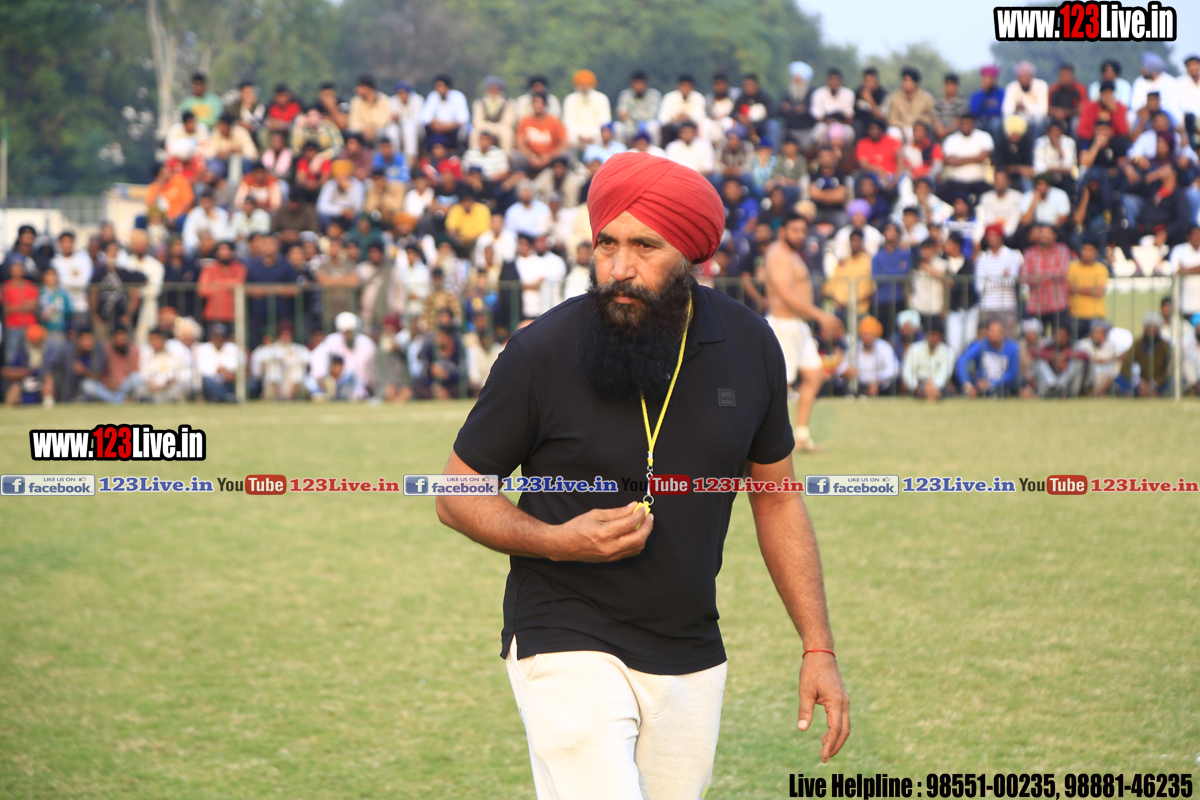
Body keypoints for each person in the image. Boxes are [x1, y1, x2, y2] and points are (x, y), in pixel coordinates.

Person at [435, 150, 849, 800]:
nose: (619, 268)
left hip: (689, 646)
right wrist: (556, 541)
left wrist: (817, 647)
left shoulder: (750, 347)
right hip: (563, 629)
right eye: (607, 244)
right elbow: (456, 492)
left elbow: (776, 501)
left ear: (691, 256)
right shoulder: (541, 350)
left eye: (644, 246)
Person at [764, 212, 844, 452]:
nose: (800, 235)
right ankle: (767, 443)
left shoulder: (792, 254)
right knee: (780, 386)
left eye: (803, 231)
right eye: (795, 230)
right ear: (782, 231)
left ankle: (801, 436)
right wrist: (820, 315)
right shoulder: (778, 254)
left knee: (814, 375)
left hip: (798, 326)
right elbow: (786, 294)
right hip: (784, 326)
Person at [1020, 225, 1071, 333]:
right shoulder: (1030, 253)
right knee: (1035, 338)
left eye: (1048, 233)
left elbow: (1062, 271)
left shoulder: (1062, 250)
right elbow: (1024, 277)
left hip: (1057, 304)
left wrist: (1039, 275)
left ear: (1054, 236)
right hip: (1036, 305)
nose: (1044, 235)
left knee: (1060, 338)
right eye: (1042, 233)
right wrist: (1049, 275)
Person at [957, 318, 1020, 397]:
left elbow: (1013, 374)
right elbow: (962, 361)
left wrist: (991, 383)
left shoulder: (1013, 348)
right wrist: (967, 385)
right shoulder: (981, 345)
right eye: (992, 331)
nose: (995, 334)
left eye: (998, 331)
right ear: (987, 332)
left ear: (1004, 332)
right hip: (981, 387)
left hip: (1004, 387)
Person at [80, 325, 143, 404]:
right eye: (118, 336)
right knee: (87, 384)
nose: (121, 339)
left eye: (123, 336)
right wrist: (108, 383)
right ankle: (118, 400)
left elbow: (134, 371)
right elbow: (99, 372)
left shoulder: (133, 350)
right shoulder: (105, 349)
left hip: (124, 387)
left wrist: (120, 381)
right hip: (107, 387)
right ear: (113, 337)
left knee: (136, 378)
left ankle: (115, 399)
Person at [840, 315, 898, 396]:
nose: (868, 338)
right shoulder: (855, 348)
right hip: (860, 385)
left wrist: (877, 380)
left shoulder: (885, 347)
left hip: (881, 385)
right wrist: (846, 371)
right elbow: (843, 366)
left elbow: (893, 370)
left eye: (871, 334)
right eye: (865, 334)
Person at [1116, 311, 1171, 397]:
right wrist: (1138, 382)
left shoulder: (1165, 346)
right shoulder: (1138, 344)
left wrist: (1154, 384)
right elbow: (1125, 367)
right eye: (1148, 327)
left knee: (1174, 381)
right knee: (1119, 380)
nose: (1150, 330)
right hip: (1142, 382)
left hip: (1160, 382)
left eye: (1153, 328)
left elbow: (1169, 370)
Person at [901, 317, 954, 400]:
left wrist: (933, 387)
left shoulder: (948, 352)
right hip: (919, 385)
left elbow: (944, 374)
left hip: (940, 387)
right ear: (926, 335)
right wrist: (915, 387)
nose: (933, 338)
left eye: (936, 335)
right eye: (931, 334)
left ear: (941, 336)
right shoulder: (914, 349)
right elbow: (908, 372)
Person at [1066, 237, 1109, 338]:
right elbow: (1068, 288)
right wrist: (1090, 289)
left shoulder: (1101, 268)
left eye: (1090, 250)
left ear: (1096, 252)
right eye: (1084, 249)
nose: (1086, 253)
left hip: (1096, 315)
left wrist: (1076, 288)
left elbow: (1098, 291)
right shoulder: (1072, 266)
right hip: (1075, 314)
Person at [562, 69, 612, 151]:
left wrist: (593, 135)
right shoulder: (570, 99)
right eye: (581, 83)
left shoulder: (601, 98)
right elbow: (568, 122)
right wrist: (579, 135)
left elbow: (605, 121)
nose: (584, 86)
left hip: (596, 136)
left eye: (586, 83)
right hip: (577, 137)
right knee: (567, 137)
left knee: (607, 132)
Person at [420, 75, 470, 151]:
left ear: (447, 86)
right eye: (438, 86)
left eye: (442, 86)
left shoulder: (458, 96)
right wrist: (436, 123)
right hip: (436, 131)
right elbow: (424, 116)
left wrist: (448, 125)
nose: (440, 89)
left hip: (453, 131)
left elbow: (463, 118)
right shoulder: (433, 96)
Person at [615, 70, 662, 145]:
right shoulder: (625, 95)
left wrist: (631, 114)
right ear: (631, 84)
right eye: (636, 83)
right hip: (629, 127)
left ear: (646, 84)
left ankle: (654, 149)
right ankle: (620, 150)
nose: (638, 86)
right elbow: (621, 113)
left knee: (654, 125)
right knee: (618, 127)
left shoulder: (654, 95)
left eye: (641, 83)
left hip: (646, 126)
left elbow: (652, 115)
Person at [196, 323, 239, 402]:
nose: (219, 339)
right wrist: (220, 371)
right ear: (210, 337)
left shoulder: (232, 347)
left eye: (221, 336)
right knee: (207, 381)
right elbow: (204, 371)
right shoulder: (203, 349)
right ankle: (227, 397)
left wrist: (225, 372)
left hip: (229, 382)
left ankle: (222, 397)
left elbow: (236, 367)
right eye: (216, 336)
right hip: (212, 382)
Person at [1002, 62, 1049, 134]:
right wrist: (1015, 109)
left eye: (1026, 76)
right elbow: (1006, 110)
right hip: (1018, 118)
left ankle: (1037, 140)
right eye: (1021, 76)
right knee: (1006, 121)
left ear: (1031, 76)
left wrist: (1025, 108)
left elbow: (1043, 110)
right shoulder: (1012, 87)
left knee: (1039, 119)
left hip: (1034, 119)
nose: (1024, 79)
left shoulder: (1041, 85)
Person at [1076, 321, 1119, 396]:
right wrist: (1101, 360)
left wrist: (1098, 360)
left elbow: (1111, 359)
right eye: (1096, 332)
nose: (1098, 335)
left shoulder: (1110, 346)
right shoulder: (1083, 343)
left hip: (1104, 375)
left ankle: (1102, 392)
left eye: (1101, 332)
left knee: (1114, 368)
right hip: (1087, 374)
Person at [1170, 225, 1200, 322]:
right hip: (1185, 306)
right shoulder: (1179, 250)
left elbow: (1181, 270)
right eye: (1195, 234)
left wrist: (1185, 270)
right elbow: (1176, 271)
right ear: (1188, 237)